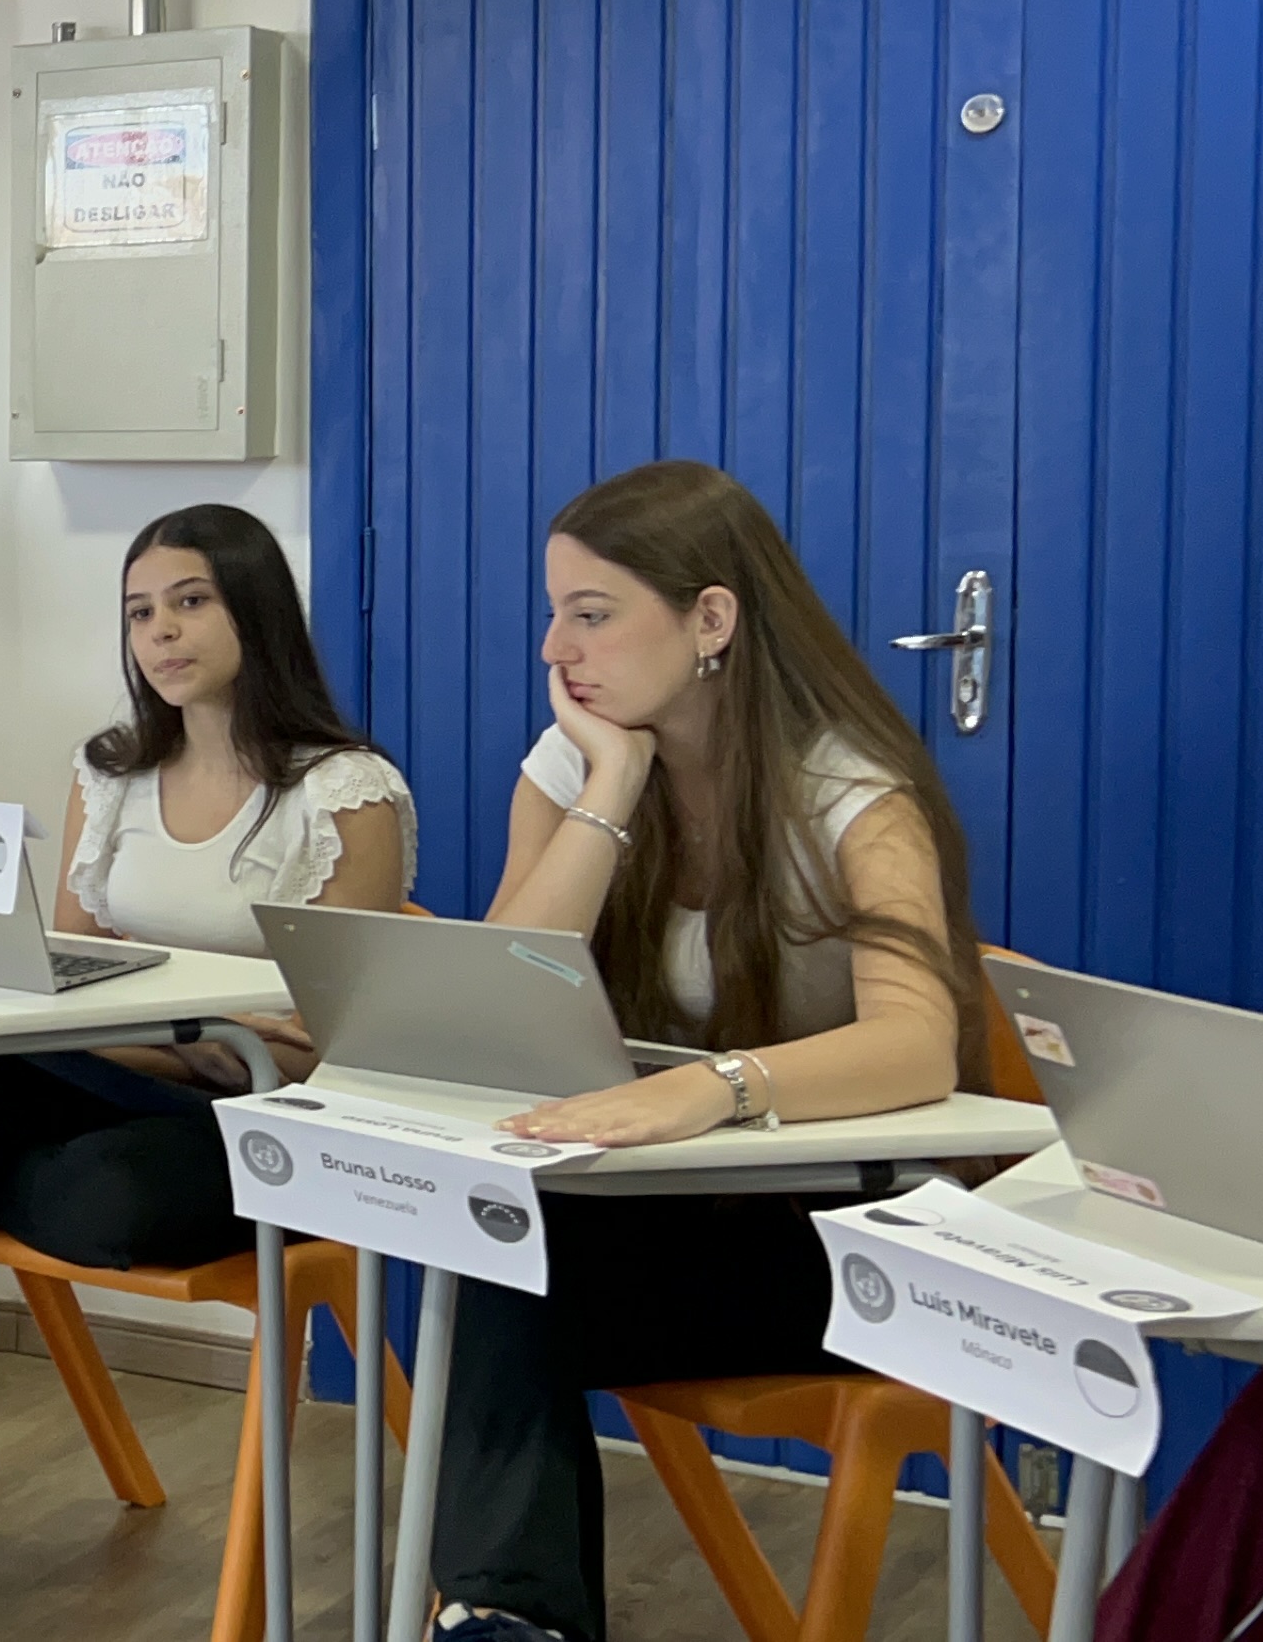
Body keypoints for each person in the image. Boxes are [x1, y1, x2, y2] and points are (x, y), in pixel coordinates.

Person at [425, 460, 992, 1642]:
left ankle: (502, 1617)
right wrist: (610, 786)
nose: (554, 650)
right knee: (494, 1237)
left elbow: (916, 1044)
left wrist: (715, 1087)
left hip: (840, 1244)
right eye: (554, 613)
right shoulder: (577, 767)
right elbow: (494, 1009)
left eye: (591, 615)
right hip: (676, 1216)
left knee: (510, 1266)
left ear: (711, 620)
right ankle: (503, 1616)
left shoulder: (849, 788)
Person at [0, 503, 411, 1635]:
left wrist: (177, 1037)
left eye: (189, 602)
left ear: (255, 609)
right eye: (139, 612)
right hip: (109, 1067)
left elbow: (340, 1038)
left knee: (94, 1201)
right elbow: (69, 972)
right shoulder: (109, 772)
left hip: (258, 1112)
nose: (160, 632)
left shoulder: (344, 790)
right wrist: (183, 1028)